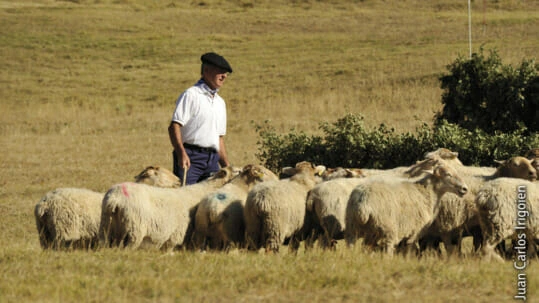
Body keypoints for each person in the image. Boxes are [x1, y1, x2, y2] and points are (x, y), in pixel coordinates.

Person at [168, 52, 232, 185]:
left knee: (211, 202)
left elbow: (219, 138)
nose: (224, 76)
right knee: (186, 200)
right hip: (191, 157)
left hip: (212, 161)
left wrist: (227, 167)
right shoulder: (191, 95)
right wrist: (181, 153)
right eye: (220, 72)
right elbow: (174, 126)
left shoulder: (220, 103)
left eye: (225, 73)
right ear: (207, 71)